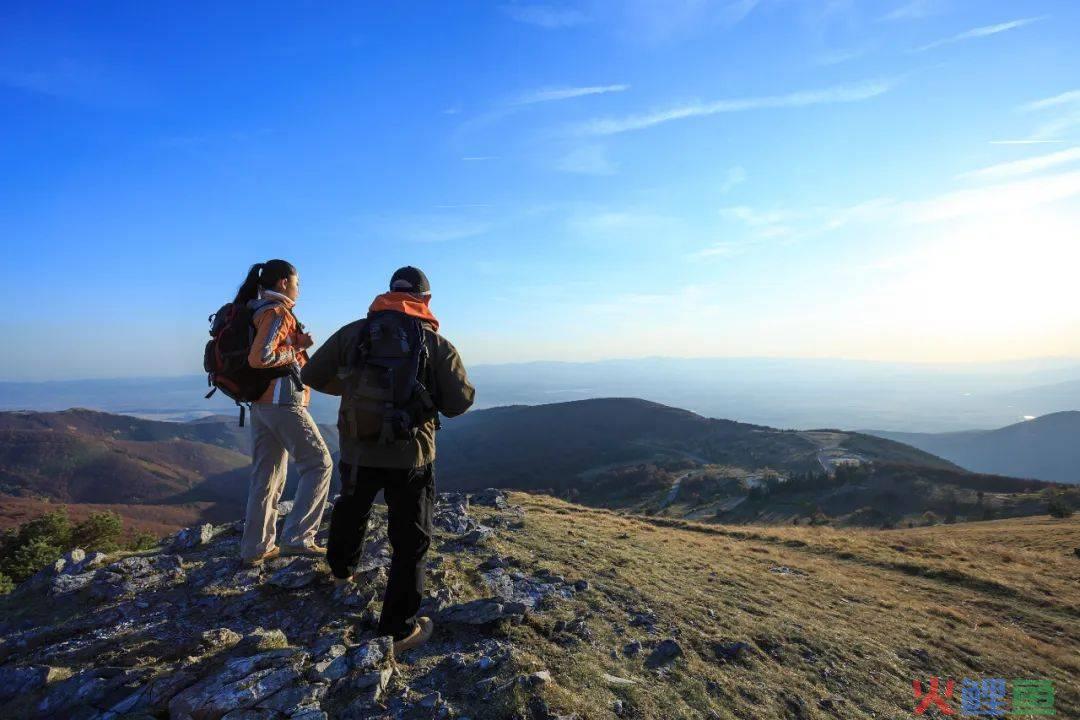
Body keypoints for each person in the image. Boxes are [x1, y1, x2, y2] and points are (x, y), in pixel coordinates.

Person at [302, 266, 475, 654]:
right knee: (410, 540)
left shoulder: (355, 333)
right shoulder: (435, 343)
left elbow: (311, 373)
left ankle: (341, 572)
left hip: (357, 447)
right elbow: (459, 403)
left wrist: (353, 389)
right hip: (411, 453)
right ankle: (399, 630)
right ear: (425, 299)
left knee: (352, 507)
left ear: (389, 292)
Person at [235, 259, 334, 565]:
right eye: (297, 282)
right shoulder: (277, 312)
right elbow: (260, 357)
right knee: (319, 463)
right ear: (283, 283)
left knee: (268, 475)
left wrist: (295, 344)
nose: (298, 287)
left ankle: (256, 547)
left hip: (261, 403)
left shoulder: (255, 308)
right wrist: (297, 349)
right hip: (282, 401)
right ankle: (298, 538)